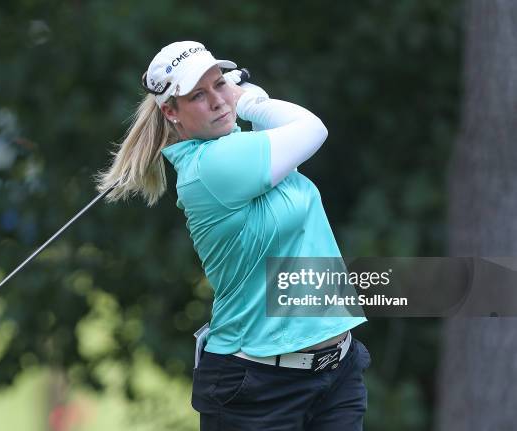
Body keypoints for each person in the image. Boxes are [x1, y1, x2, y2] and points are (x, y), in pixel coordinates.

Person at [96, 41, 371, 431]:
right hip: (259, 390)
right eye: (198, 95)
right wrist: (248, 100)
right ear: (170, 111)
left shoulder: (242, 149)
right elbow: (312, 128)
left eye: (218, 84)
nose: (217, 101)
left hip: (335, 375)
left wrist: (245, 100)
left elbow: (276, 134)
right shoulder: (210, 167)